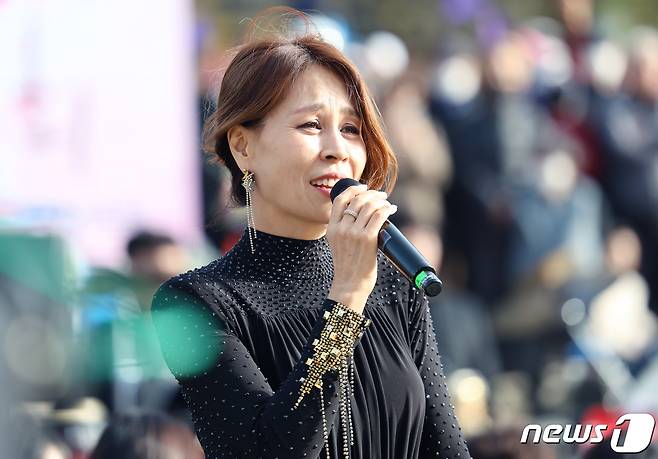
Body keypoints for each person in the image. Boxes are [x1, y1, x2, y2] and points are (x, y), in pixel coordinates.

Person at [151, 8, 472, 459]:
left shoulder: (395, 285)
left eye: (351, 129)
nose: (337, 149)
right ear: (243, 146)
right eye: (311, 125)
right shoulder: (195, 302)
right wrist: (347, 298)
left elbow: (446, 448)